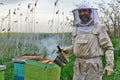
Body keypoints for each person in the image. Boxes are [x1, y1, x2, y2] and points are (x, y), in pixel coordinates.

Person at [63, 2, 114, 80]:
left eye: (85, 11)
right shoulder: (76, 29)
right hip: (78, 64)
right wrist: (68, 50)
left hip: (93, 65)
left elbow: (108, 47)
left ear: (90, 12)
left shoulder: (99, 27)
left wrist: (109, 65)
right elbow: (77, 47)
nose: (82, 13)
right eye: (80, 11)